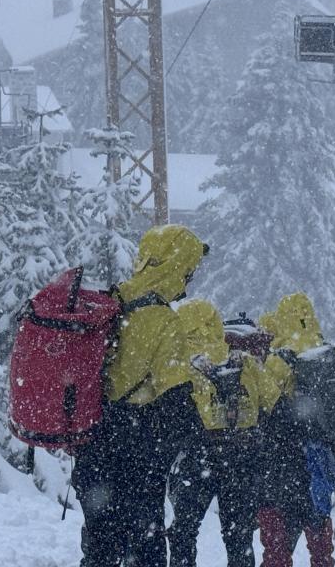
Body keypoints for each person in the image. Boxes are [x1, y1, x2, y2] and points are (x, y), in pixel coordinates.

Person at [71, 225, 209, 567]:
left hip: (93, 444)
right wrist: (200, 437)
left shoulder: (110, 302)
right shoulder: (163, 320)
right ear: (177, 268)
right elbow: (176, 398)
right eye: (188, 272)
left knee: (100, 549)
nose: (188, 281)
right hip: (136, 454)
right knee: (143, 551)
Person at [256, 294, 335, 567]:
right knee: (318, 530)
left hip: (283, 462)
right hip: (321, 461)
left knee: (278, 539)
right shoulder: (334, 355)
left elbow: (264, 406)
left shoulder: (279, 359)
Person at [168, 303, 275, 567]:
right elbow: (273, 401)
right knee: (238, 536)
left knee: (184, 532)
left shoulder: (180, 365)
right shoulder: (245, 361)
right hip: (241, 456)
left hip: (197, 457)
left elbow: (168, 414)